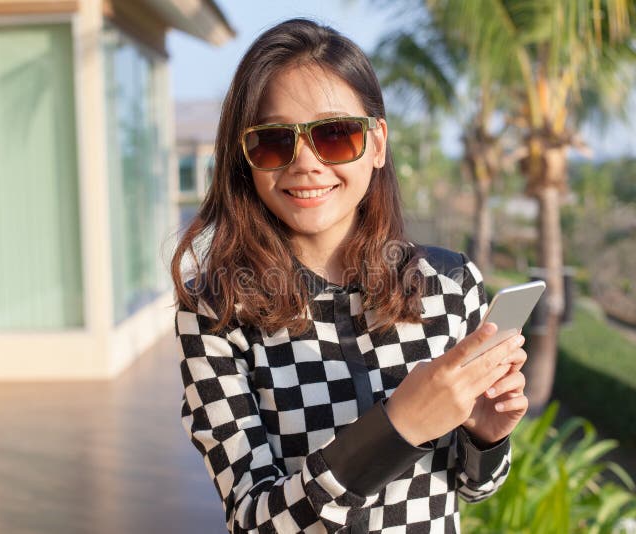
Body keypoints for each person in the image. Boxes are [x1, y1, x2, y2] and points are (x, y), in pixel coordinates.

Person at [170, 18, 528, 533]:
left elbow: (473, 487)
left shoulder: (451, 285)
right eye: (274, 142)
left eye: (334, 135)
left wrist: (486, 438)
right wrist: (398, 426)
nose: (306, 164)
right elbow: (252, 521)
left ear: (377, 143)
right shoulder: (217, 312)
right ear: (245, 159)